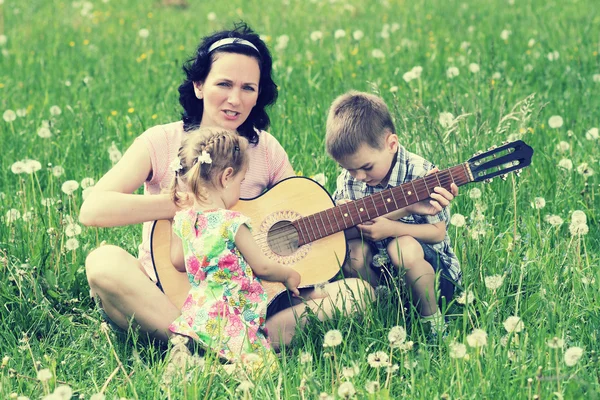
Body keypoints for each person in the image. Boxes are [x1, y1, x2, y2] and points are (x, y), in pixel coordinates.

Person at [79, 22, 376, 353]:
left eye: (248, 88)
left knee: (358, 294)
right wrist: (184, 205)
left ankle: (203, 349)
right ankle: (213, 344)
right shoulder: (161, 141)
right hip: (171, 296)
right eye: (223, 84)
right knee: (102, 262)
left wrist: (400, 211)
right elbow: (92, 209)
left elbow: (299, 222)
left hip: (251, 300)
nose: (235, 99)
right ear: (199, 85)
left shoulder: (267, 150)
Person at [325, 91, 461, 334]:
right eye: (349, 169)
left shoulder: (419, 172)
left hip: (432, 272)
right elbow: (344, 234)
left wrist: (392, 229)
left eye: (366, 167)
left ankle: (433, 321)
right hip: (381, 269)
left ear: (391, 144)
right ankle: (385, 307)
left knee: (402, 246)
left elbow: (438, 232)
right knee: (353, 254)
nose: (360, 177)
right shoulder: (350, 178)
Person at [166, 127, 300, 365]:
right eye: (242, 180)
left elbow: (177, 260)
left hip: (198, 314)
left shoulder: (183, 220)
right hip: (232, 318)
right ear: (227, 176)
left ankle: (191, 360)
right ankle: (222, 371)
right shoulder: (232, 223)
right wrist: (288, 274)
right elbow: (263, 268)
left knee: (208, 355)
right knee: (263, 368)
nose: (241, 186)